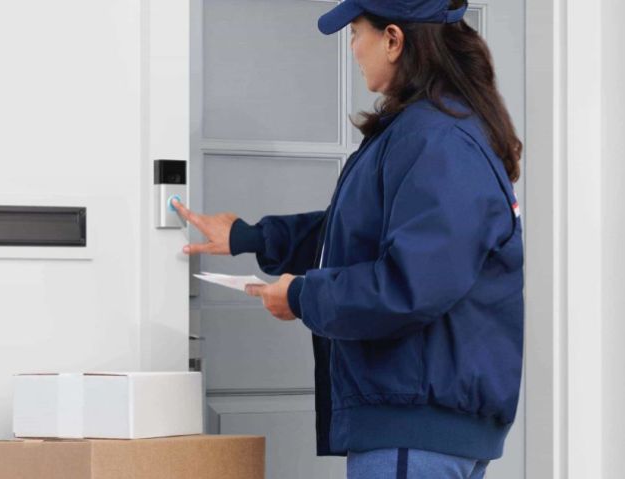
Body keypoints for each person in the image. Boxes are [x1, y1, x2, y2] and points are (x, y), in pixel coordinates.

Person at [172, 0, 523, 477]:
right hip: (413, 427)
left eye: (357, 32)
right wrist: (249, 237)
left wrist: (301, 295)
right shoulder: (425, 131)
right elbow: (359, 229)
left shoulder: (436, 139)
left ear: (394, 41)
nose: (354, 48)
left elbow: (410, 286)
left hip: (412, 429)